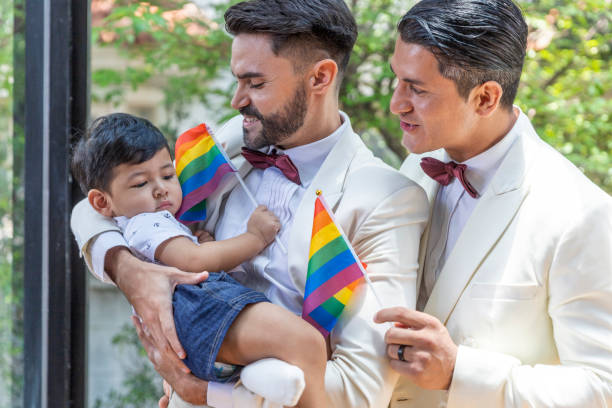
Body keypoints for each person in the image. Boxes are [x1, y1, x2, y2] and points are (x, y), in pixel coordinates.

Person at [70, 1, 429, 407]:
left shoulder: (386, 199)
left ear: (320, 77)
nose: (237, 100)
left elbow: (360, 390)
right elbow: (102, 202)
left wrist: (208, 395)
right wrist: (127, 268)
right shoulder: (227, 146)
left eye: (255, 84)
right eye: (237, 80)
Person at [373, 0, 612, 406]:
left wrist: (459, 372)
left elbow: (602, 387)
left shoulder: (581, 214)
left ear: (485, 98)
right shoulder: (416, 166)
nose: (396, 103)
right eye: (397, 80)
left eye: (416, 88)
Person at [71, 112, 328, 407]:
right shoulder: (145, 222)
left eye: (168, 176)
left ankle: (251, 388)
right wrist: (254, 238)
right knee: (305, 342)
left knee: (284, 365)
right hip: (200, 309)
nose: (161, 188)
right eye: (140, 183)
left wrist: (196, 244)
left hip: (203, 319)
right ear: (102, 202)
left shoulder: (149, 221)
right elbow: (193, 261)